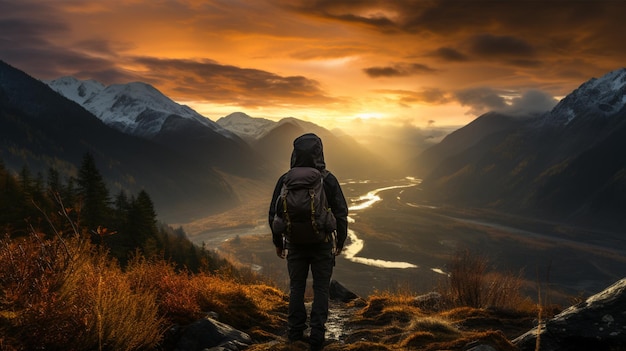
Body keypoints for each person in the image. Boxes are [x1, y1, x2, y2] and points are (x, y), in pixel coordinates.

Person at [269, 133, 348, 350]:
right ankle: (317, 337)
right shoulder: (328, 179)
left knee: (297, 287)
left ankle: (295, 334)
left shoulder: (285, 180)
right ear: (319, 152)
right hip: (322, 243)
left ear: (295, 154)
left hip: (294, 243)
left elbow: (274, 214)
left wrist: (278, 242)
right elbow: (341, 212)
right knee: (322, 289)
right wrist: (340, 240)